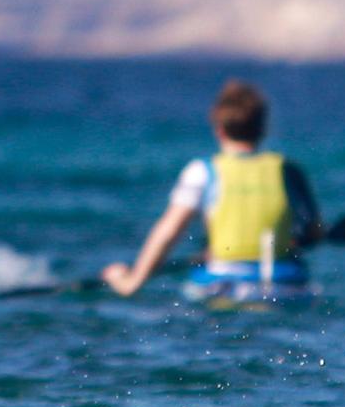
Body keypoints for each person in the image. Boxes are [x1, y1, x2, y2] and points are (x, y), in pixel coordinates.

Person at [102, 79, 323, 298]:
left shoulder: (202, 171)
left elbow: (168, 232)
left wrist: (131, 281)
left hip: (223, 284)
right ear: (263, 129)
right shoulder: (288, 171)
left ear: (219, 130)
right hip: (286, 285)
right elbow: (314, 232)